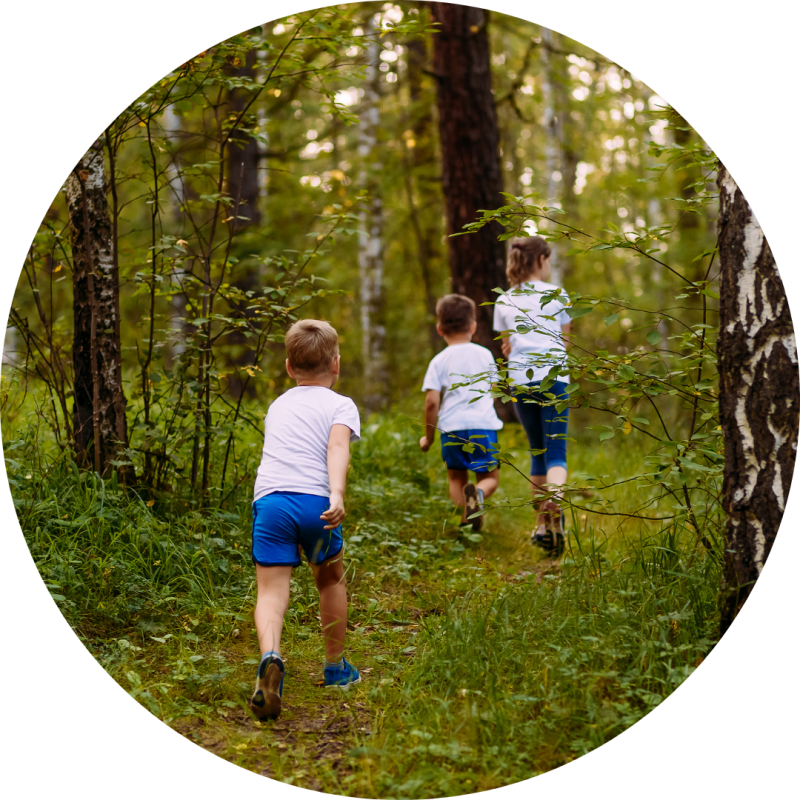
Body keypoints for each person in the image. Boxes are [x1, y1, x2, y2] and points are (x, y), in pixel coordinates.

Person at [249, 319, 361, 722]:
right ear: (336, 364)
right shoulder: (340, 404)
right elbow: (337, 447)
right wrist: (336, 493)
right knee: (330, 579)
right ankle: (335, 669)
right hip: (317, 505)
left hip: (273, 502)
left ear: (288, 367)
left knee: (271, 592)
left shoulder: (278, 404)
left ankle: (271, 655)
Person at [493, 236, 572, 557]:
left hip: (521, 383)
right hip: (554, 380)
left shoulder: (504, 301)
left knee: (536, 451)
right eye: (548, 259)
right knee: (556, 452)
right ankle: (556, 499)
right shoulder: (558, 294)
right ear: (540, 260)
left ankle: (542, 526)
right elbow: (566, 344)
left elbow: (507, 346)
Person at [419, 294, 503, 531]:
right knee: (490, 478)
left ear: (439, 329)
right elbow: (495, 389)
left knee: (456, 479)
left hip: (451, 428)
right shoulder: (485, 354)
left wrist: (429, 437)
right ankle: (478, 494)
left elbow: (431, 403)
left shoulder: (438, 361)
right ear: (473, 326)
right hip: (483, 426)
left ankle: (467, 521)